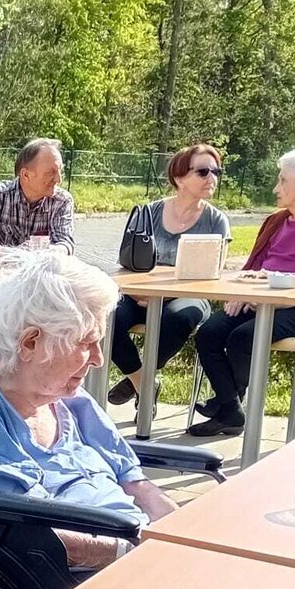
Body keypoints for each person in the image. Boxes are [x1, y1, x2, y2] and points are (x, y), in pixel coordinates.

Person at [0, 250, 177, 569]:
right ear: (30, 343)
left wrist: (181, 532)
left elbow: (131, 479)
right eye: (85, 343)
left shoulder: (62, 393)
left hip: (141, 544)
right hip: (101, 569)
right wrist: (139, 553)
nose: (99, 359)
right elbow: (38, 536)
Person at [189, 146, 295, 436]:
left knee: (243, 338)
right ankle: (231, 408)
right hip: (259, 297)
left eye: (282, 180)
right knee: (209, 333)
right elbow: (253, 266)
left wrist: (284, 292)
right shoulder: (276, 220)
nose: (275, 188)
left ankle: (227, 405)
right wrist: (242, 292)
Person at [107, 144, 232, 405]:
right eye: (203, 172)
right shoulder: (148, 213)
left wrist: (165, 294)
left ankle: (137, 381)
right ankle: (143, 382)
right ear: (179, 177)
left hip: (189, 296)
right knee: (108, 315)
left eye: (216, 172)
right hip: (139, 293)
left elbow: (214, 274)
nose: (212, 178)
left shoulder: (216, 221)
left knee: (180, 317)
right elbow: (126, 262)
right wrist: (138, 291)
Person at [0, 137, 76, 260]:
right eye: (50, 173)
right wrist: (19, 258)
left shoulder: (62, 201)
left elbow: (65, 243)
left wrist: (52, 253)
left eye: (60, 171)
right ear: (26, 175)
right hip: (0, 271)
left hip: (42, 270)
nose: (58, 179)